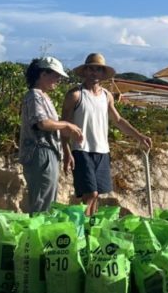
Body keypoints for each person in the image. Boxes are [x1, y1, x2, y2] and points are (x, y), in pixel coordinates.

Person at [61, 52, 152, 216]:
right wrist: (66, 151)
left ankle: (90, 224)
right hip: (81, 150)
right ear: (85, 71)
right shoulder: (75, 95)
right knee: (90, 193)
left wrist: (139, 136)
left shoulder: (106, 96)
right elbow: (64, 125)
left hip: (102, 150)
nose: (94, 73)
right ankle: (85, 226)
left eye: (98, 69)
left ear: (103, 73)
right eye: (91, 69)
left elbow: (118, 120)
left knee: (97, 195)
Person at [19, 57, 83, 213]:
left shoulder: (43, 96)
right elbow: (42, 123)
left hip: (47, 153)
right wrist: (67, 124)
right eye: (56, 75)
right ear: (43, 74)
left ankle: (41, 227)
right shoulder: (35, 95)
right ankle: (38, 228)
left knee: (46, 199)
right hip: (40, 152)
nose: (59, 80)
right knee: (42, 201)